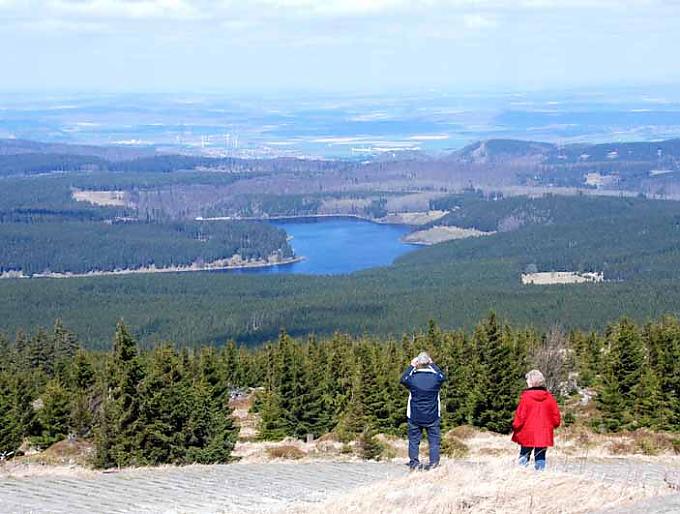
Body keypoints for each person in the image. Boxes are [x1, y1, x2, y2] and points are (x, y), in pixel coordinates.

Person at [400, 352, 446, 471]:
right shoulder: (436, 379)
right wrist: (433, 364)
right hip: (432, 415)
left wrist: (411, 366)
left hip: (415, 415)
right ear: (428, 363)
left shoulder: (412, 379)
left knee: (414, 441)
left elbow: (403, 379)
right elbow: (442, 376)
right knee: (434, 442)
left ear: (418, 363)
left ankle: (414, 464)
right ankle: (434, 465)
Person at [511, 369, 561, 471]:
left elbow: (520, 417)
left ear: (531, 382)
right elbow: (556, 419)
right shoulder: (550, 398)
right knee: (540, 456)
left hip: (527, 433)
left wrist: (515, 427)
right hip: (544, 433)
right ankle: (540, 478)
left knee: (524, 454)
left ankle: (520, 477)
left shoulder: (526, 397)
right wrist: (551, 426)